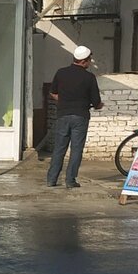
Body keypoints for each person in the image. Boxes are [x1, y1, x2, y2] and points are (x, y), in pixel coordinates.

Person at [46, 45, 103, 188]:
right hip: (80, 117)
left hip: (63, 115)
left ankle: (51, 179)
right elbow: (96, 102)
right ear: (84, 61)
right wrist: (100, 105)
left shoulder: (61, 73)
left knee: (59, 148)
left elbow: (53, 92)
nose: (90, 62)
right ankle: (70, 180)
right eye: (89, 60)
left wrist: (64, 100)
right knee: (76, 149)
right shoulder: (89, 77)